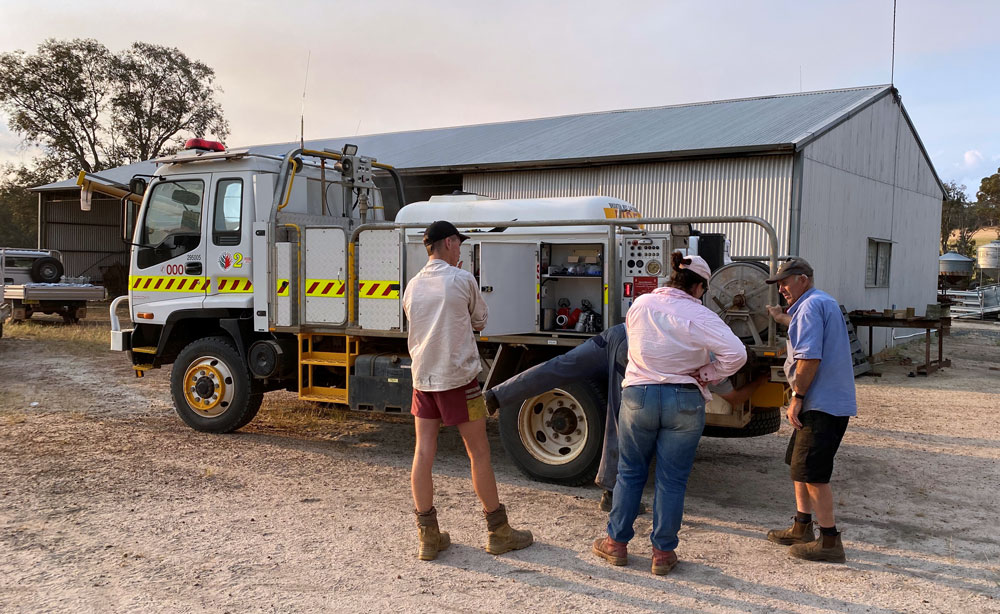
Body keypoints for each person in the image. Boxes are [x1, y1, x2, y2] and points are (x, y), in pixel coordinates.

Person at [485, 324, 765, 512]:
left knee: (561, 366)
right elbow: (735, 399)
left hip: (620, 331)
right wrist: (761, 380)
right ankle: (612, 492)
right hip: (634, 348)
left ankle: (497, 395)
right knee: (620, 421)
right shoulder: (718, 367)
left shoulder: (715, 332)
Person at [592, 253, 747, 575]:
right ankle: (662, 554)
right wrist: (707, 373)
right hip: (684, 400)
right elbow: (736, 353)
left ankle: (616, 544)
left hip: (639, 396)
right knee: (672, 481)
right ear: (700, 286)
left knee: (630, 473)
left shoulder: (640, 305)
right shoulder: (699, 313)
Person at [402, 220, 533, 561]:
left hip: (423, 379)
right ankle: (498, 530)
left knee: (423, 453)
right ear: (448, 243)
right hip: (460, 381)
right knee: (478, 453)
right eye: (458, 243)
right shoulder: (461, 279)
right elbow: (480, 320)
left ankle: (428, 536)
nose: (460, 248)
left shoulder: (412, 285)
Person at [764, 257, 856, 563]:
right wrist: (781, 318)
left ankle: (829, 541)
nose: (781, 288)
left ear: (803, 278)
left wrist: (797, 396)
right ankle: (801, 526)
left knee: (814, 473)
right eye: (778, 284)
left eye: (786, 282)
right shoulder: (820, 302)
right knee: (798, 465)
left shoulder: (809, 306)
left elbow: (809, 358)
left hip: (820, 403)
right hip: (827, 401)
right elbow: (805, 329)